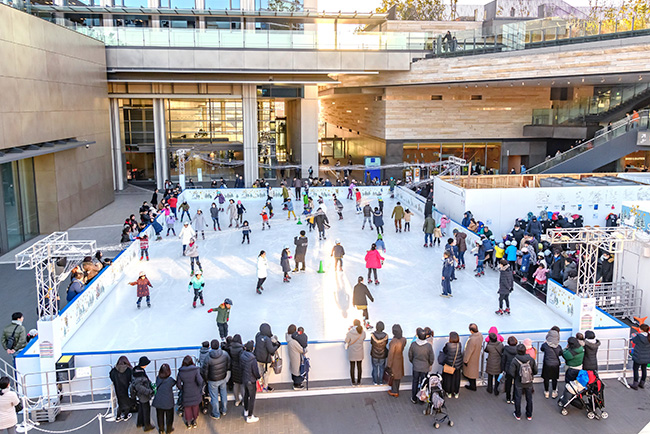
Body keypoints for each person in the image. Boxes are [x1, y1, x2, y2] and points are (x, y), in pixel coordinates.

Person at [201, 340, 231, 420]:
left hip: (212, 380)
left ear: (211, 346)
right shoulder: (225, 354)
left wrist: (206, 379)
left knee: (214, 397)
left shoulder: (208, 357)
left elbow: (205, 371)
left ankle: (216, 414)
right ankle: (224, 410)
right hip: (222, 378)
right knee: (223, 394)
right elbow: (228, 365)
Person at [510, 343, 538, 421]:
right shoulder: (531, 359)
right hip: (529, 382)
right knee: (529, 398)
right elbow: (535, 371)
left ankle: (518, 414)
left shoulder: (515, 360)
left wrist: (517, 376)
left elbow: (511, 372)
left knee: (518, 398)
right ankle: (529, 415)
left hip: (519, 382)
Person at [177, 355, 203, 429]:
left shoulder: (181, 371)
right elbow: (200, 381)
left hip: (186, 392)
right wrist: (198, 387)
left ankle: (188, 423)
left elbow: (178, 384)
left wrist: (182, 388)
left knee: (187, 408)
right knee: (195, 406)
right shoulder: (195, 370)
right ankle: (194, 421)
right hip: (195, 392)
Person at [409, 328, 434, 403]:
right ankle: (422, 399)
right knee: (424, 384)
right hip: (425, 367)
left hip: (416, 367)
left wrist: (413, 362)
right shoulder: (428, 346)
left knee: (415, 382)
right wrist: (429, 364)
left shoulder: (413, 344)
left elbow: (410, 355)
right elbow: (431, 358)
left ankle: (414, 398)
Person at [131, 356, 155, 432]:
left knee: (141, 408)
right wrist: (149, 391)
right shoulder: (140, 374)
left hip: (140, 395)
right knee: (146, 410)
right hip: (143, 394)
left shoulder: (137, 370)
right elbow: (139, 387)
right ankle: (147, 425)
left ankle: (140, 423)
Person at [254, 323, 281, 391]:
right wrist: (277, 346)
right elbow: (271, 350)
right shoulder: (267, 339)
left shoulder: (257, 335)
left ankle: (259, 386)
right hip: (266, 360)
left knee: (260, 373)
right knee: (266, 374)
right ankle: (265, 387)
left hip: (258, 358)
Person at [152, 363, 176, 434]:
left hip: (159, 400)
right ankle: (168, 429)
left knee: (160, 416)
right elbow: (175, 383)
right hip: (168, 401)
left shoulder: (157, 378)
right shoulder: (170, 380)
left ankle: (161, 429)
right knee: (169, 416)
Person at [240, 340, 260, 423]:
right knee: (252, 398)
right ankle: (250, 416)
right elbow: (255, 371)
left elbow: (241, 367)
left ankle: (246, 410)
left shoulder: (242, 355)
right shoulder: (252, 359)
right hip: (251, 380)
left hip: (244, 378)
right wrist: (258, 377)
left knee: (246, 395)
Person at [439, 332, 463, 399]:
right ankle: (456, 392)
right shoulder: (459, 345)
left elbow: (444, 351)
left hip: (449, 365)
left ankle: (449, 392)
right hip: (457, 365)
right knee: (456, 379)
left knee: (448, 379)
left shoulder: (448, 345)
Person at [109, 356, 133, 422]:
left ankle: (118, 416)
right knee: (127, 401)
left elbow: (111, 376)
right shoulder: (128, 370)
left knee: (119, 401)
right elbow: (131, 378)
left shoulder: (114, 370)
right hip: (126, 387)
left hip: (117, 387)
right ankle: (125, 416)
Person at [540, 326, 562, 399]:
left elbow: (542, 349)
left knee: (546, 378)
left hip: (547, 363)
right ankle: (554, 391)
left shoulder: (545, 345)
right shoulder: (558, 347)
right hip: (555, 364)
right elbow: (560, 353)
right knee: (554, 378)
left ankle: (546, 392)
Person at [386, 324, 406, 397]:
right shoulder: (403, 339)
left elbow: (390, 354)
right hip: (400, 359)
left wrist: (388, 365)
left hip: (394, 361)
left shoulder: (393, 342)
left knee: (393, 375)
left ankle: (394, 391)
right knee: (398, 376)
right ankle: (396, 389)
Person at [345, 319, 366, 386]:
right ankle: (359, 381)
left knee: (352, 367)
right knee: (359, 367)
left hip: (352, 352)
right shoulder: (362, 332)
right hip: (360, 352)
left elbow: (346, 340)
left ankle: (353, 382)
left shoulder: (350, 332)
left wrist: (349, 330)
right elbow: (364, 338)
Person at [286, 325, 307, 390]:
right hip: (296, 358)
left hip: (292, 357)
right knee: (297, 372)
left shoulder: (288, 338)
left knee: (294, 371)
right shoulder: (293, 342)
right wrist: (306, 349)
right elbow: (301, 350)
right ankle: (297, 385)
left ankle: (296, 384)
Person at [463, 323, 483, 391]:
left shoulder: (472, 340)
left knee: (470, 372)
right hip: (476, 355)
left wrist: (465, 360)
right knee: (474, 371)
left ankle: (472, 386)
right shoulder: (480, 336)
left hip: (471, 358)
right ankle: (473, 385)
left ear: (471, 330)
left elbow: (469, 351)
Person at [631, 324, 650, 390]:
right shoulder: (649, 336)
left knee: (635, 369)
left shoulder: (639, 336)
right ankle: (642, 383)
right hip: (647, 357)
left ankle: (635, 384)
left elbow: (633, 340)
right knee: (644, 369)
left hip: (638, 356)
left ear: (641, 329)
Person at [228, 335, 245, 406]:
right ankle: (244, 401)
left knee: (236, 384)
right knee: (242, 385)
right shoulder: (241, 349)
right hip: (240, 368)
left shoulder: (231, 347)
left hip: (234, 368)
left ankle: (237, 400)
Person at [501, 336, 518, 404]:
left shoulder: (506, 349)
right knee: (516, 385)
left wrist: (502, 369)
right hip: (516, 369)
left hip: (508, 369)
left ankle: (508, 398)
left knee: (508, 384)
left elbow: (503, 360)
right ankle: (514, 399)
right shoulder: (518, 349)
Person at [370, 321, 388, 386]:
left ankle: (375, 381)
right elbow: (386, 343)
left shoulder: (373, 335)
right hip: (382, 354)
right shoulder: (385, 335)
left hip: (374, 354)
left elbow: (372, 343)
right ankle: (380, 381)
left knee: (375, 368)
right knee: (381, 368)